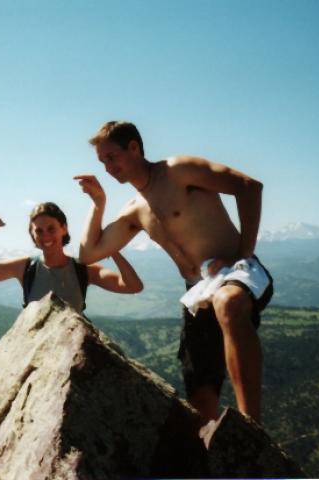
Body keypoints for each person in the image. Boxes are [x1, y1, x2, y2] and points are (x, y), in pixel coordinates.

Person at [75, 121, 273, 425]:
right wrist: (98, 203)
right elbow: (88, 254)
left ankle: (253, 428)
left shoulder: (179, 170)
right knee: (199, 395)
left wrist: (242, 255)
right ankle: (214, 457)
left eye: (111, 157)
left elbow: (249, 187)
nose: (108, 167)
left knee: (228, 304)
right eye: (102, 162)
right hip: (197, 290)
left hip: (238, 271)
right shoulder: (134, 210)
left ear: (134, 147)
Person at [0, 202, 143, 314]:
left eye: (51, 228)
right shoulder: (25, 267)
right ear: (32, 235)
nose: (45, 236)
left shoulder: (84, 270)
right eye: (38, 231)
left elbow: (133, 286)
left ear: (64, 228)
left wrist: (111, 249)